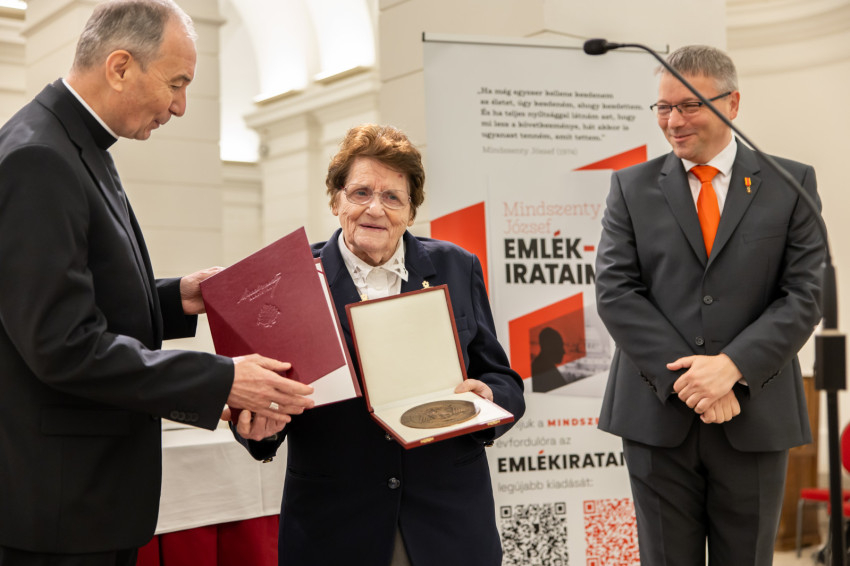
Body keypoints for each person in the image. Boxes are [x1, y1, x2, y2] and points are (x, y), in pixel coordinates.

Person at [0, 1, 314, 564]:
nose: (180, 106)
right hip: (60, 508)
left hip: (81, 499)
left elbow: (80, 295)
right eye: (176, 83)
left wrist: (178, 298)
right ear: (120, 67)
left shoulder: (75, 142)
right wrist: (222, 379)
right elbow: (61, 345)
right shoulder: (40, 158)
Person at [234, 124, 526, 566]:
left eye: (393, 197)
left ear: (411, 211)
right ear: (335, 200)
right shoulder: (288, 281)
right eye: (361, 193)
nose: (375, 208)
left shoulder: (457, 266)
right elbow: (261, 397)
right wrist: (261, 428)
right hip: (335, 528)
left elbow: (502, 379)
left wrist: (487, 397)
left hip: (449, 523)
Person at [594, 45, 824, 565]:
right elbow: (616, 290)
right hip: (657, 416)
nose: (673, 121)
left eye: (689, 105)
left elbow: (804, 293)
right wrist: (694, 381)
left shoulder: (791, 184)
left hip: (755, 413)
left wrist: (732, 367)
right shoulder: (630, 187)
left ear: (732, 103)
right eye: (663, 107)